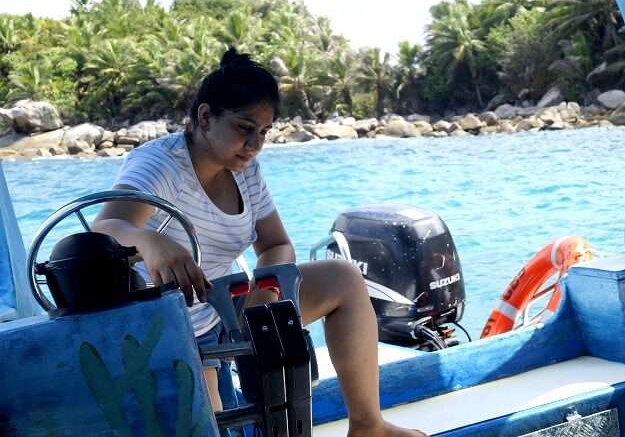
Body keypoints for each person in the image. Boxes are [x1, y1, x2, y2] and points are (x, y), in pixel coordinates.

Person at [92, 47, 427, 437]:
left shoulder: (246, 171)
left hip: (230, 308)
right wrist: (147, 240)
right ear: (204, 117)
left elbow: (276, 244)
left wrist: (267, 291)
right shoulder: (162, 164)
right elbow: (103, 229)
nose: (254, 144)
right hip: (172, 330)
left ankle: (368, 427)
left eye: (264, 132)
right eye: (243, 127)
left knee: (344, 278)